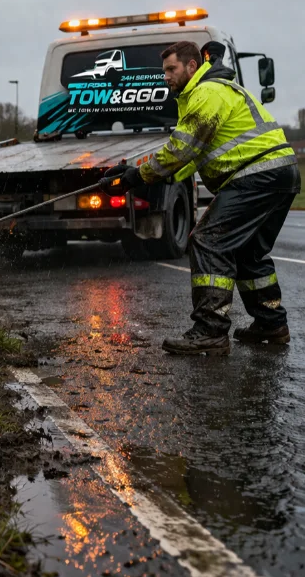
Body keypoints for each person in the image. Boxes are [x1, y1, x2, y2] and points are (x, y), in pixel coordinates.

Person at [100, 41, 300, 356]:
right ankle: (271, 324)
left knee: (208, 240)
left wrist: (136, 177)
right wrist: (132, 175)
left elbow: (180, 151)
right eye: (163, 70)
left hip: (255, 175)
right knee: (249, 253)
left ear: (191, 67)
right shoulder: (215, 91)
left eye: (171, 69)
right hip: (280, 174)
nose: (165, 76)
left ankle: (210, 331)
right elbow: (190, 161)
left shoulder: (206, 94)